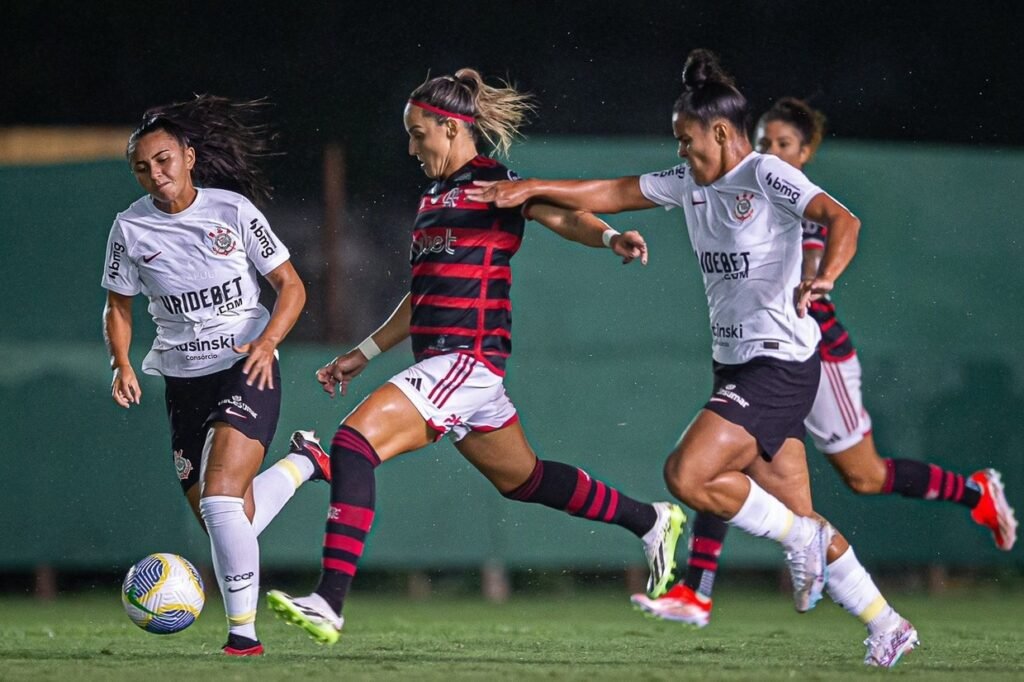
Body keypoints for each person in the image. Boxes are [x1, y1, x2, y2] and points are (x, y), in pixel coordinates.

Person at [465, 50, 918, 668]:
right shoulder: (690, 184)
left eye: (687, 140)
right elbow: (616, 191)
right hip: (739, 366)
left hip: (778, 364)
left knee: (687, 476)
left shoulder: (763, 174)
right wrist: (537, 186)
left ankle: (800, 542)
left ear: (723, 133)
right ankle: (886, 623)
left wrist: (826, 278)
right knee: (799, 516)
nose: (681, 152)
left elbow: (843, 219)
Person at [265, 68, 685, 645]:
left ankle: (329, 601)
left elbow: (558, 213)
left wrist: (610, 237)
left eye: (419, 135)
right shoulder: (433, 198)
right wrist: (364, 351)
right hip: (452, 368)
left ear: (450, 127)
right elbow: (423, 295)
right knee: (525, 479)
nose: (412, 147)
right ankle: (651, 520)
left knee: (353, 444)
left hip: (467, 361)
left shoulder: (493, 182)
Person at [629, 97, 1018, 631]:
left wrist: (820, 273)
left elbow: (840, 230)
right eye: (764, 142)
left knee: (863, 475)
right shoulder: (744, 189)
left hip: (818, 358)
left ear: (806, 152)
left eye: (783, 144)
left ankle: (974, 492)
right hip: (765, 358)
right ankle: (712, 593)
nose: (770, 152)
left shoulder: (798, 201)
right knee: (729, 457)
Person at [102, 95, 331, 656]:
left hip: (244, 366)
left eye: (163, 160)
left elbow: (293, 287)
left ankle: (242, 637)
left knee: (222, 503)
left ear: (189, 156)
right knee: (231, 524)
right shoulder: (129, 228)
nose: (155, 174)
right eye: (142, 167)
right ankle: (307, 461)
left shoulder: (232, 211)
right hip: (183, 382)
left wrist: (267, 343)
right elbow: (119, 306)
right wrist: (122, 361)